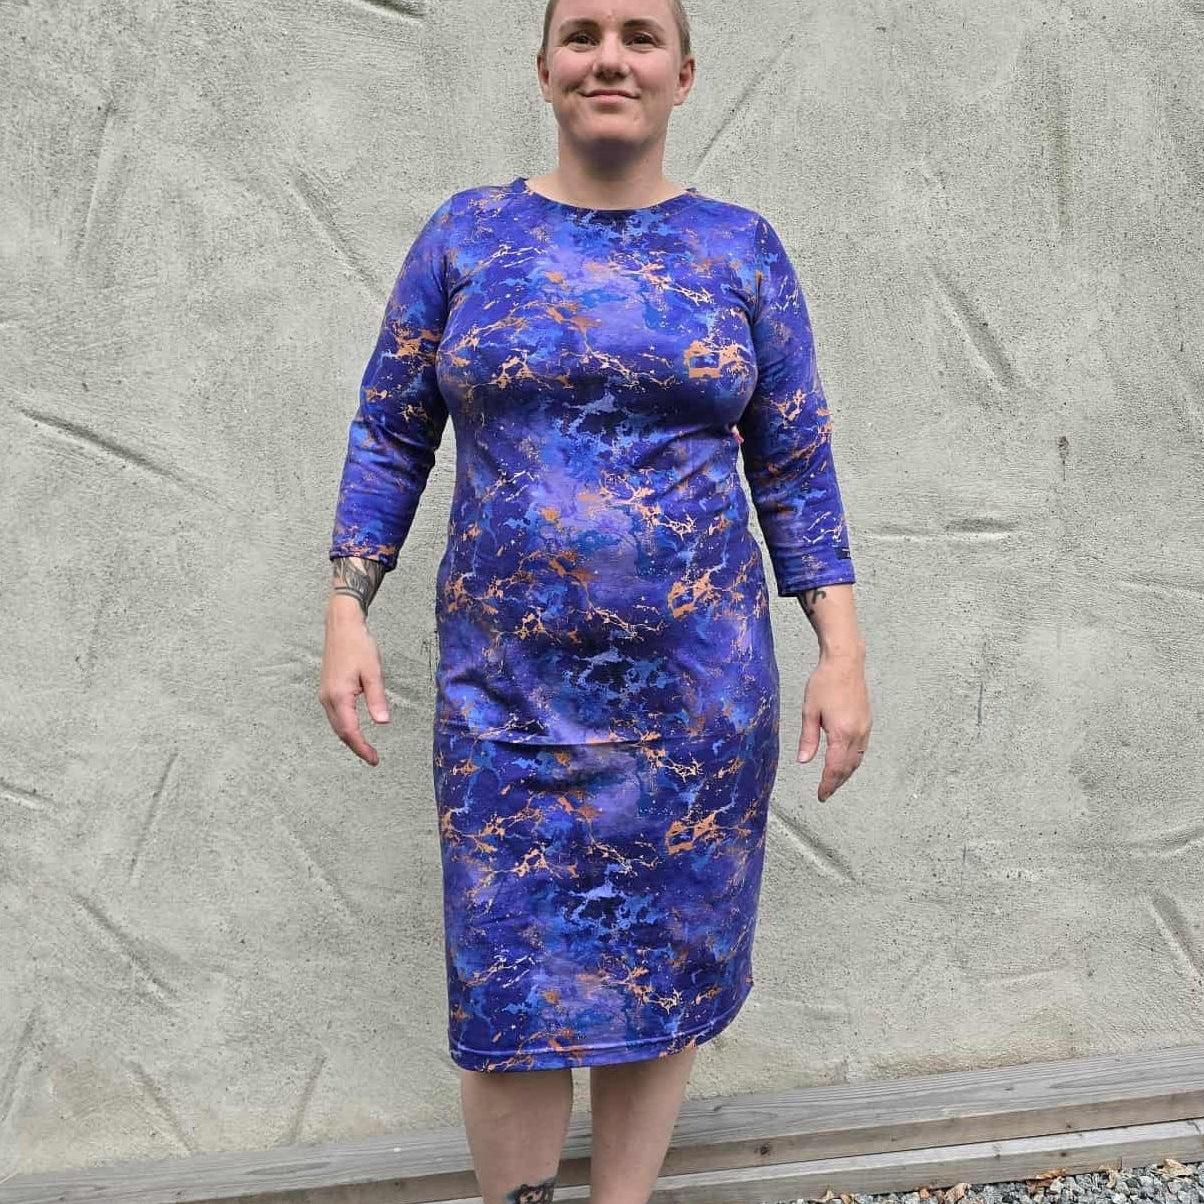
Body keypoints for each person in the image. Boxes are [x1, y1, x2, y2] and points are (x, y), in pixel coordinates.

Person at [317, 0, 873, 1201]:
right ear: (543, 69)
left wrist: (839, 649)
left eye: (637, 35)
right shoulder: (467, 237)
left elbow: (795, 464)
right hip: (502, 700)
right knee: (507, 982)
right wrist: (348, 605)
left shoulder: (740, 250)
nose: (607, 57)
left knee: (661, 966)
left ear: (683, 74)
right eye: (582, 35)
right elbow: (388, 432)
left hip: (697, 701)